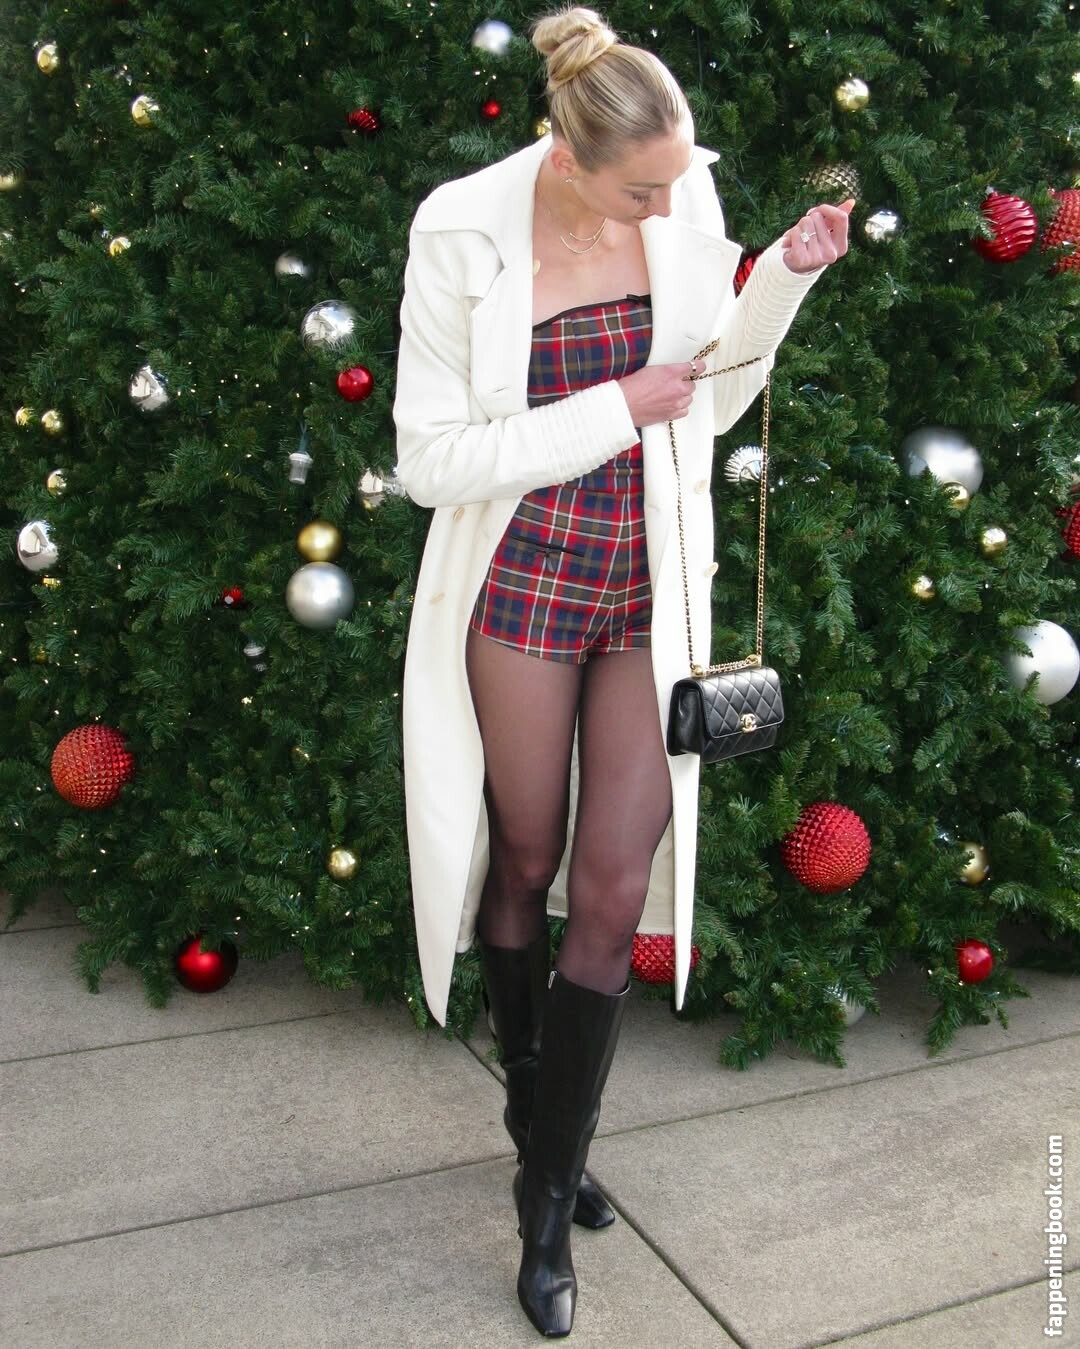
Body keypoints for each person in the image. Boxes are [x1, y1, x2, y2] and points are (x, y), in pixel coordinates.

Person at [393, 5, 851, 1336]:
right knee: (526, 856)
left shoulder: (678, 191)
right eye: (643, 190)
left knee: (609, 887)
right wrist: (613, 408)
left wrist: (784, 280)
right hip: (523, 581)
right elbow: (428, 462)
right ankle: (533, 1106)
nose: (671, 205)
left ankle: (544, 1201)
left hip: (653, 584)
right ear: (568, 155)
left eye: (678, 179)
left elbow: (710, 394)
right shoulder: (461, 230)